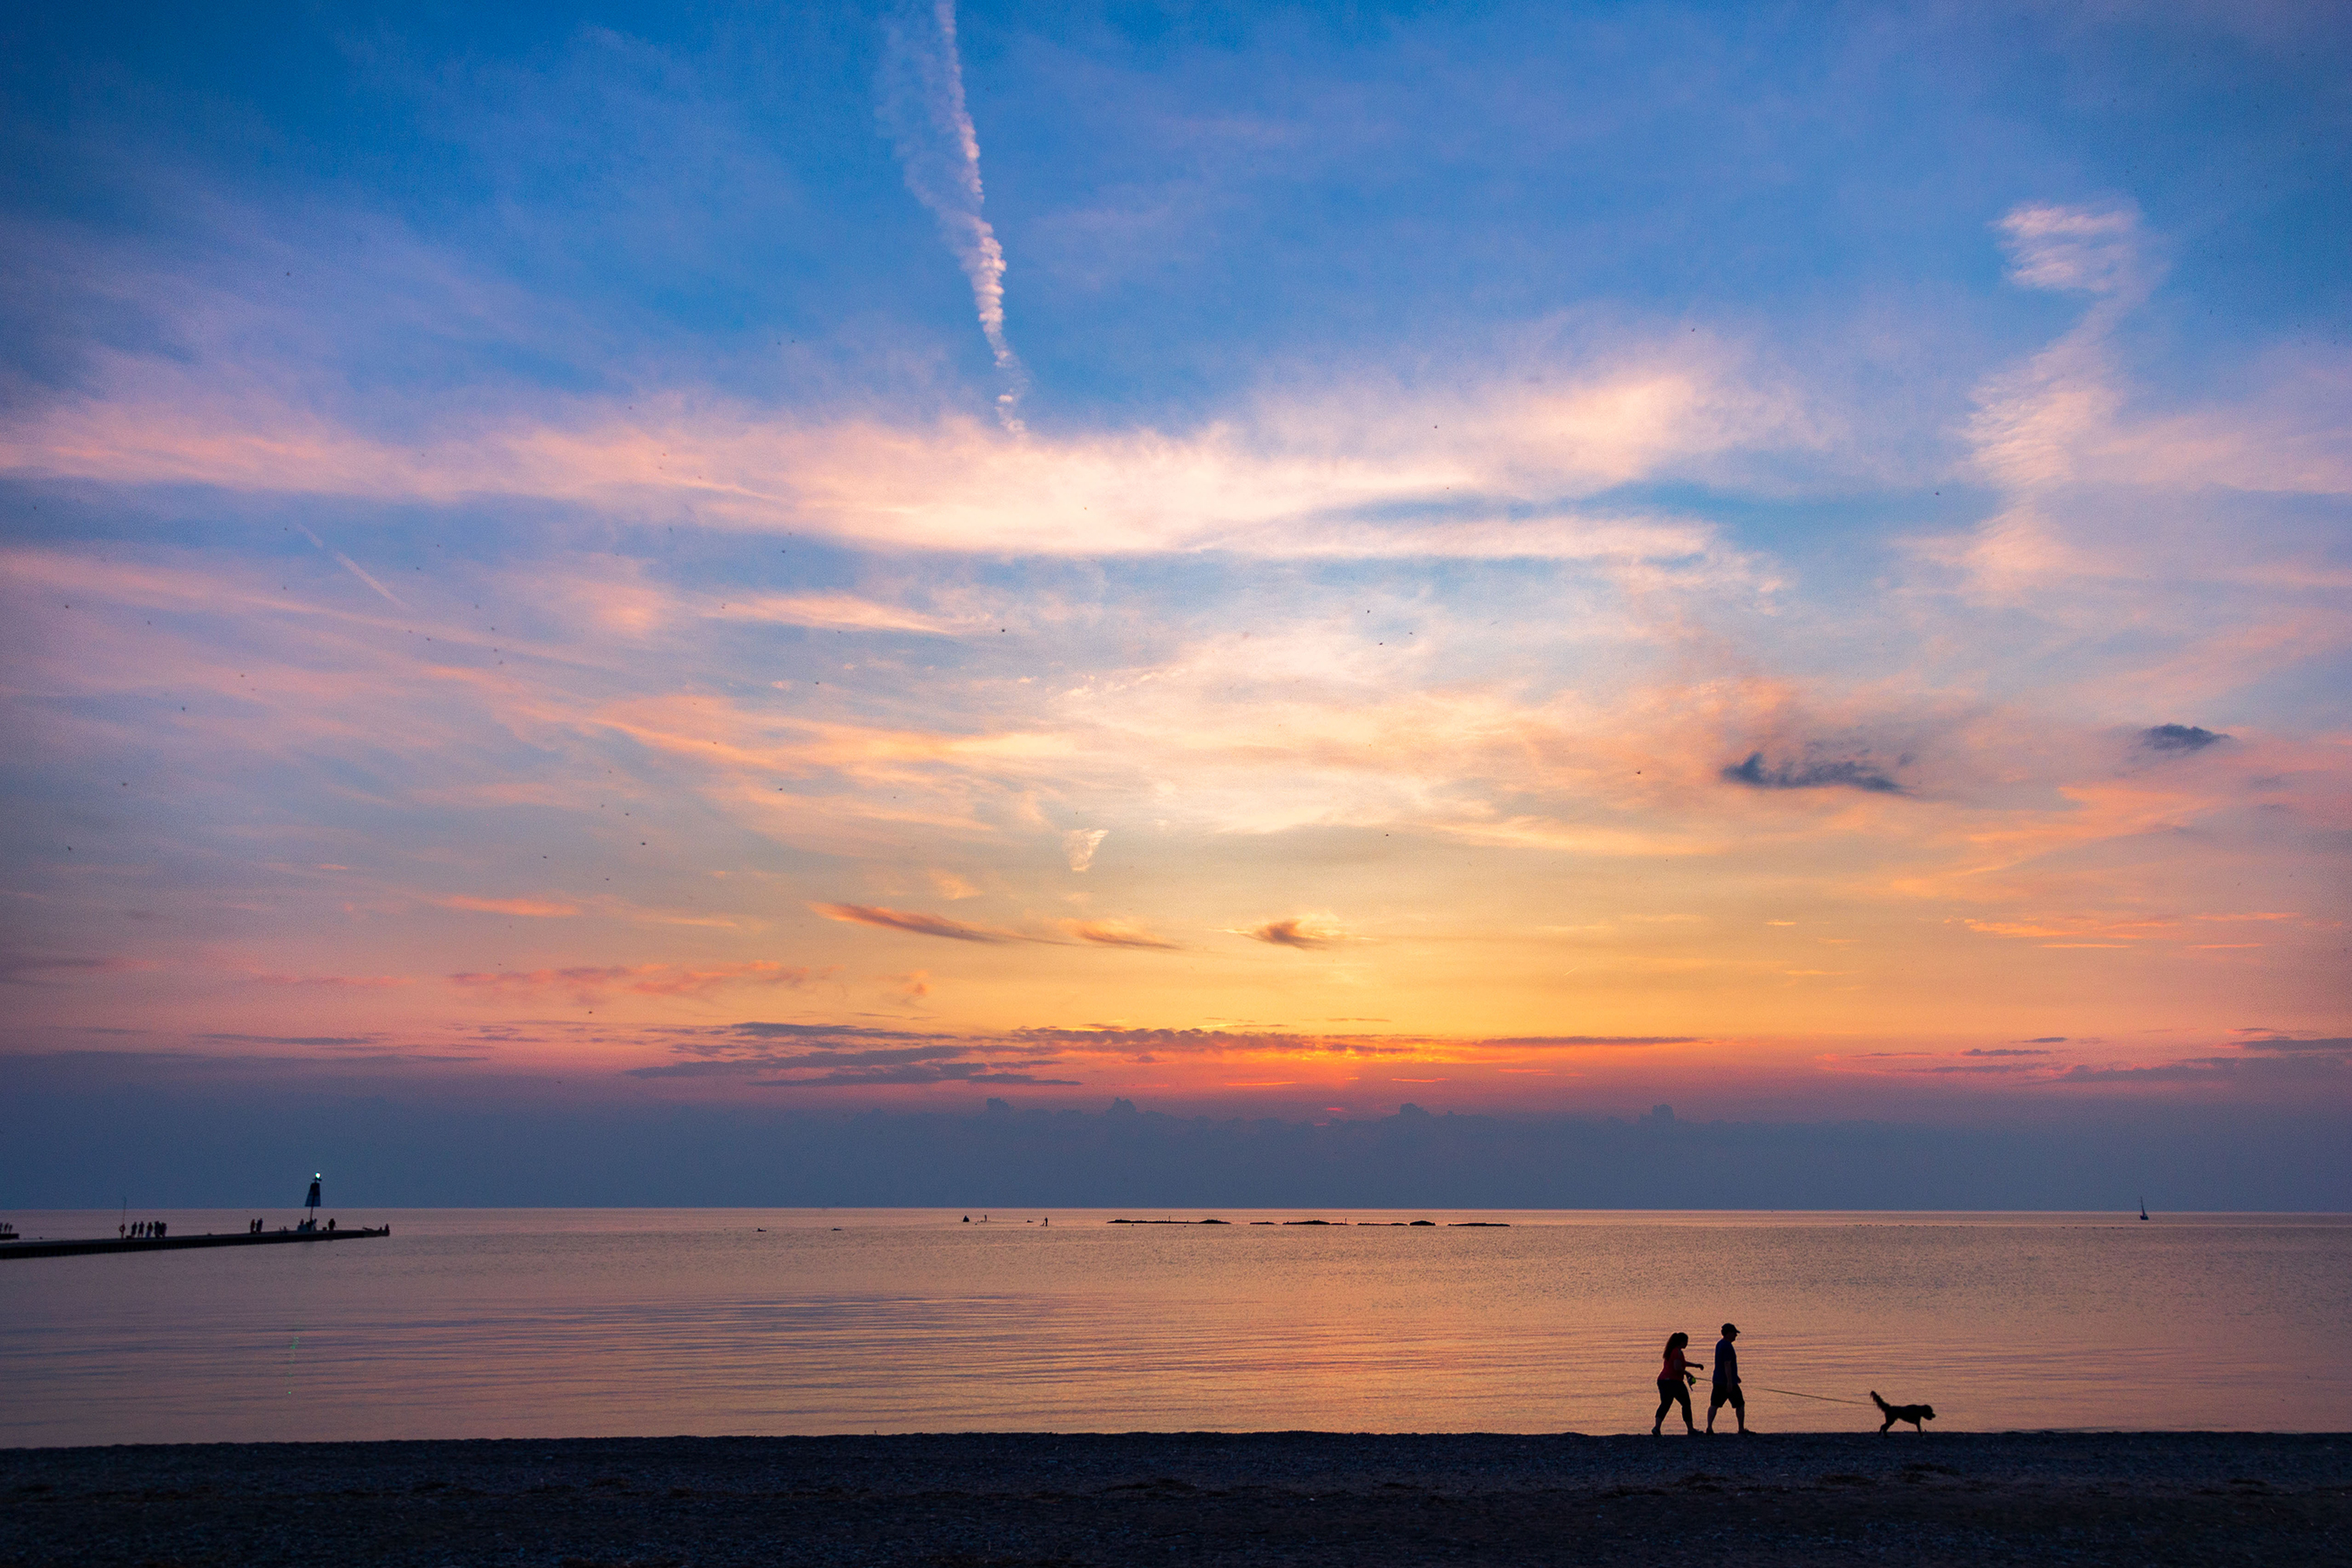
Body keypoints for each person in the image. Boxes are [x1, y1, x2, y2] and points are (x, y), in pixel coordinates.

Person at [1652, 1332, 1701, 1435]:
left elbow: (1681, 1363)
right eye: (1686, 1341)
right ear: (1681, 1342)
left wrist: (1695, 1365)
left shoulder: (1671, 1351)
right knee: (1686, 1403)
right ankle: (1690, 1429)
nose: (1687, 1343)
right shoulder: (1677, 1352)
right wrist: (1688, 1373)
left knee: (1665, 1404)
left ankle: (1657, 1427)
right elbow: (1677, 1367)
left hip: (1663, 1381)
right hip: (1673, 1382)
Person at [1707, 1322, 1747, 1434]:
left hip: (1718, 1380)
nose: (1736, 1335)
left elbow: (1723, 1364)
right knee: (1740, 1404)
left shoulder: (1719, 1344)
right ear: (1729, 1333)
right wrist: (1730, 1382)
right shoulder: (1727, 1346)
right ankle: (1741, 1428)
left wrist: (1736, 1376)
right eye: (1734, 1333)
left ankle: (1709, 1427)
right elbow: (1727, 1364)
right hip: (1727, 1382)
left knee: (1714, 1404)